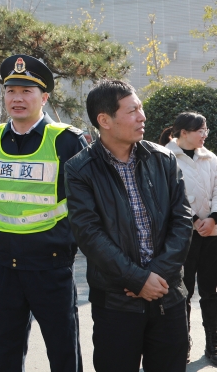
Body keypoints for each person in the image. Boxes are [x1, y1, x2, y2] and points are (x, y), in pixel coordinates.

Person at [65, 79, 192, 372]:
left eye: (141, 108)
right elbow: (89, 234)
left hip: (167, 295)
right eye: (132, 110)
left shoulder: (163, 159)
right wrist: (137, 280)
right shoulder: (80, 169)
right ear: (104, 120)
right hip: (116, 302)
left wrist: (156, 276)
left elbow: (182, 220)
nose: (142, 116)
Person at [0, 55, 87, 372]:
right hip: (4, 266)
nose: (18, 98)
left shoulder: (67, 141)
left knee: (64, 352)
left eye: (27, 91)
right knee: (6, 352)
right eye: (11, 90)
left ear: (44, 98)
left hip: (51, 265)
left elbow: (84, 204)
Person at [164, 112, 217, 364]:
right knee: (182, 292)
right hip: (182, 236)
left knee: (211, 291)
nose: (205, 135)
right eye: (200, 130)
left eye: (206, 130)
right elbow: (169, 196)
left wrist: (213, 218)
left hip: (212, 234)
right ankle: (181, 344)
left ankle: (214, 343)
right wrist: (195, 220)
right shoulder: (164, 157)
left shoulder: (211, 158)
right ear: (183, 132)